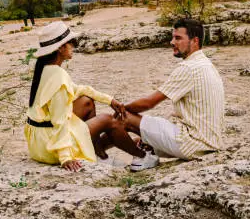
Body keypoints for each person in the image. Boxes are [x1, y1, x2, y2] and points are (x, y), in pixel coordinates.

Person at [25, 21, 155, 172]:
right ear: (60, 48)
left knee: (87, 101)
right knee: (108, 120)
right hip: (49, 148)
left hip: (38, 143)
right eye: (71, 43)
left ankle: (99, 155)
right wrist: (65, 157)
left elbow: (80, 90)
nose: (74, 47)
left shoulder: (45, 70)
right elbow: (59, 120)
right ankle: (142, 156)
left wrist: (109, 100)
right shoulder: (58, 76)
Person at [120, 18, 225, 172]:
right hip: (209, 142)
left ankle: (91, 151)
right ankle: (138, 152)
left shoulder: (189, 67)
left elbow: (149, 103)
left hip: (192, 143)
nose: (171, 42)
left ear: (195, 41)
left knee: (123, 118)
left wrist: (121, 107)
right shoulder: (206, 64)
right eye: (172, 37)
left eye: (178, 38)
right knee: (140, 139)